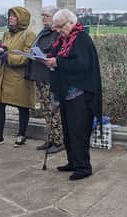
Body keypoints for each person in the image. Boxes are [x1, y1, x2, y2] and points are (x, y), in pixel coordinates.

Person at [41, 9, 102, 181]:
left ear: (70, 23)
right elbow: (58, 56)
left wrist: (57, 62)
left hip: (81, 94)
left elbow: (81, 65)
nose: (58, 30)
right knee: (68, 131)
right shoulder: (63, 39)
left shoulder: (82, 39)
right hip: (66, 93)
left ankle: (83, 166)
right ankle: (73, 161)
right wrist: (49, 59)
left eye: (60, 26)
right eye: (56, 27)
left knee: (79, 132)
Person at [0, 6, 36, 147]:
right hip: (2, 74)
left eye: (14, 16)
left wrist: (7, 56)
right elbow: (7, 49)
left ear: (22, 19)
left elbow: (27, 56)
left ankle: (21, 135)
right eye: (10, 16)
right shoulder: (7, 34)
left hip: (18, 77)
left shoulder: (29, 34)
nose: (10, 18)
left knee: (22, 106)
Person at [25, 6, 63, 154]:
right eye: (43, 16)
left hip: (49, 77)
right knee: (45, 110)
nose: (44, 18)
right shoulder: (43, 32)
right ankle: (50, 139)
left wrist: (44, 56)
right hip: (39, 76)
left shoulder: (57, 34)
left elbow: (57, 54)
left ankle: (59, 141)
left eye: (47, 16)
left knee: (54, 111)